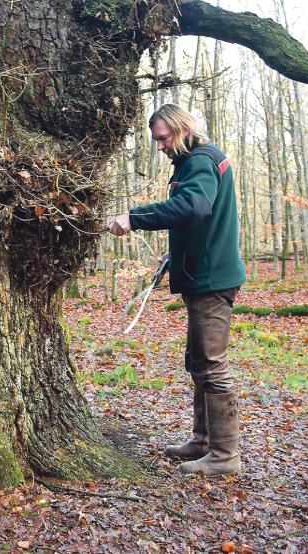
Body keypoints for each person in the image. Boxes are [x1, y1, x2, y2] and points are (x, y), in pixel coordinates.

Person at [108, 104, 246, 476]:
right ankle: (203, 441)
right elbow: (202, 218)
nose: (160, 146)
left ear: (181, 129)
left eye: (163, 138)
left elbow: (194, 207)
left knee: (211, 364)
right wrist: (178, 251)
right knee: (198, 360)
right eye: (156, 141)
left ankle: (224, 455)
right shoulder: (195, 161)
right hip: (203, 272)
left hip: (212, 280)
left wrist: (133, 217)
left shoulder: (201, 160)